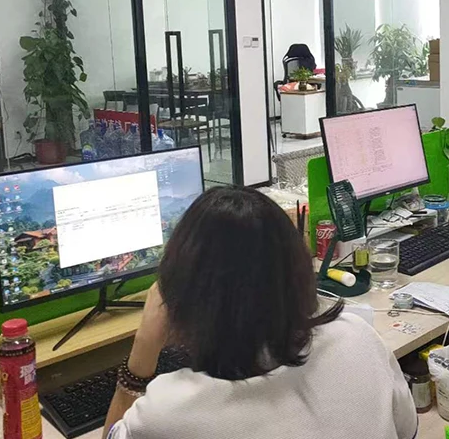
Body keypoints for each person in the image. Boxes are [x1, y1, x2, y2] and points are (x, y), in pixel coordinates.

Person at [103, 187, 416, 439]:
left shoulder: (167, 411)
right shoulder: (357, 337)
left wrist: (144, 346)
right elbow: (407, 429)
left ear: (178, 294)